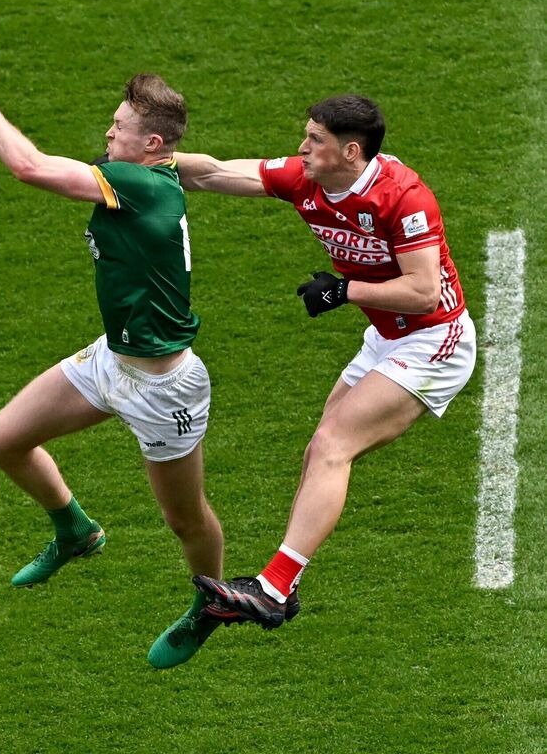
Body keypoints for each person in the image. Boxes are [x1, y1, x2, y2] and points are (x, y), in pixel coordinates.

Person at [0, 26, 224, 668]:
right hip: (111, 359)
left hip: (162, 386)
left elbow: (28, 167)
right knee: (1, 440)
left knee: (185, 521)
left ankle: (211, 603)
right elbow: (208, 168)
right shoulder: (158, 171)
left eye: (118, 126)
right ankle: (75, 530)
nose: (107, 133)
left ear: (150, 144)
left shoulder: (141, 184)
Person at [174, 94, 476, 629]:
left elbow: (426, 292)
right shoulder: (309, 180)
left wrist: (344, 291)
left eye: (315, 140)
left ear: (351, 152)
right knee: (321, 449)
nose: (302, 147)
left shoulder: (404, 198)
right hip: (386, 339)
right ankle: (280, 587)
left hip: (434, 339)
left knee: (335, 445)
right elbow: (217, 173)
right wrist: (142, 163)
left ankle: (271, 589)